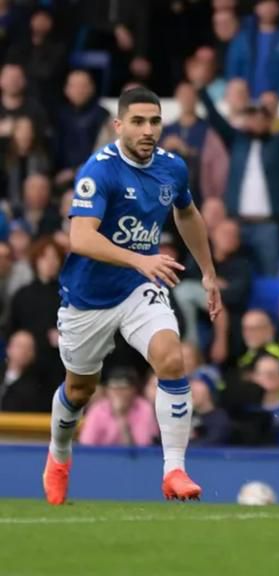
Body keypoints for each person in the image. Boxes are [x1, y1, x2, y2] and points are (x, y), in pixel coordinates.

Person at [43, 87, 223, 506]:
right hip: (88, 296)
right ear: (119, 125)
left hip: (138, 289)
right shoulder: (99, 171)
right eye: (138, 122)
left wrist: (209, 273)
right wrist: (139, 260)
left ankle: (174, 470)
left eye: (155, 121)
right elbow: (81, 237)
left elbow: (187, 213)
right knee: (80, 389)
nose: (148, 130)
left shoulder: (172, 168)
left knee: (171, 358)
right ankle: (59, 455)